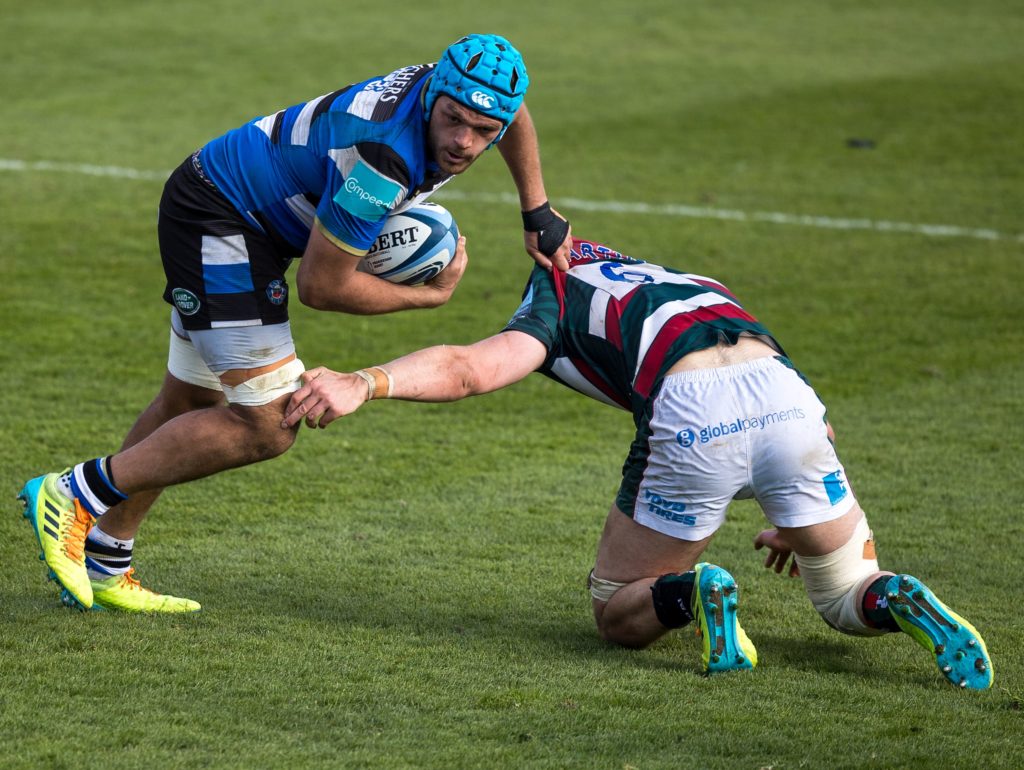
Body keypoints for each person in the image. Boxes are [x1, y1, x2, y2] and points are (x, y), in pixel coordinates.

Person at [281, 237, 994, 689]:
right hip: (792, 406)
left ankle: (691, 591)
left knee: (616, 609)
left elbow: (471, 370)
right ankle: (890, 590)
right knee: (843, 593)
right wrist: (789, 513)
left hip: (691, 414)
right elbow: (812, 420)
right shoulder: (686, 280)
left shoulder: (554, 297)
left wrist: (365, 380)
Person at [17, 33, 572, 613]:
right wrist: (426, 299)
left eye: (484, 130)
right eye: (454, 120)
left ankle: (106, 559)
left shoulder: (463, 87)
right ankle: (73, 493)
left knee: (190, 398)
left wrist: (535, 207)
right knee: (268, 424)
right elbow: (322, 286)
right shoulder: (383, 159)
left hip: (247, 210)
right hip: (223, 220)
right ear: (436, 94)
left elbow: (514, 109)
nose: (464, 141)